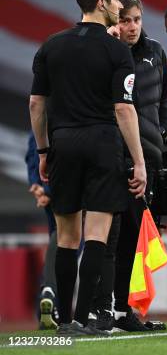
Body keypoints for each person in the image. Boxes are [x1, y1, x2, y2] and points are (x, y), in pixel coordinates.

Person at [29, 0, 146, 337]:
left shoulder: (51, 45)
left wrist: (44, 149)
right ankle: (83, 318)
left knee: (66, 235)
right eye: (114, 1)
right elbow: (124, 110)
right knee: (96, 233)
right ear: (100, 4)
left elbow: (36, 104)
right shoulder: (117, 51)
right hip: (102, 142)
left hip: (63, 142)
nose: (118, 6)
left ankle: (64, 321)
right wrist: (139, 161)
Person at [91, 0, 167, 332]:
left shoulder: (155, 52)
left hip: (149, 157)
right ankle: (101, 310)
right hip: (111, 155)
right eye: (125, 19)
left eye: (137, 20)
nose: (131, 27)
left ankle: (126, 310)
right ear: (115, 20)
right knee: (109, 237)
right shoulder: (106, 52)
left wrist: (157, 129)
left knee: (136, 238)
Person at [25, 132, 59, 330]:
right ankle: (94, 309)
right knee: (72, 246)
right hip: (67, 190)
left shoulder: (37, 122)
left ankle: (48, 295)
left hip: (48, 190)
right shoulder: (68, 116)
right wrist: (47, 192)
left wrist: (37, 186)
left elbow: (32, 155)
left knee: (58, 243)